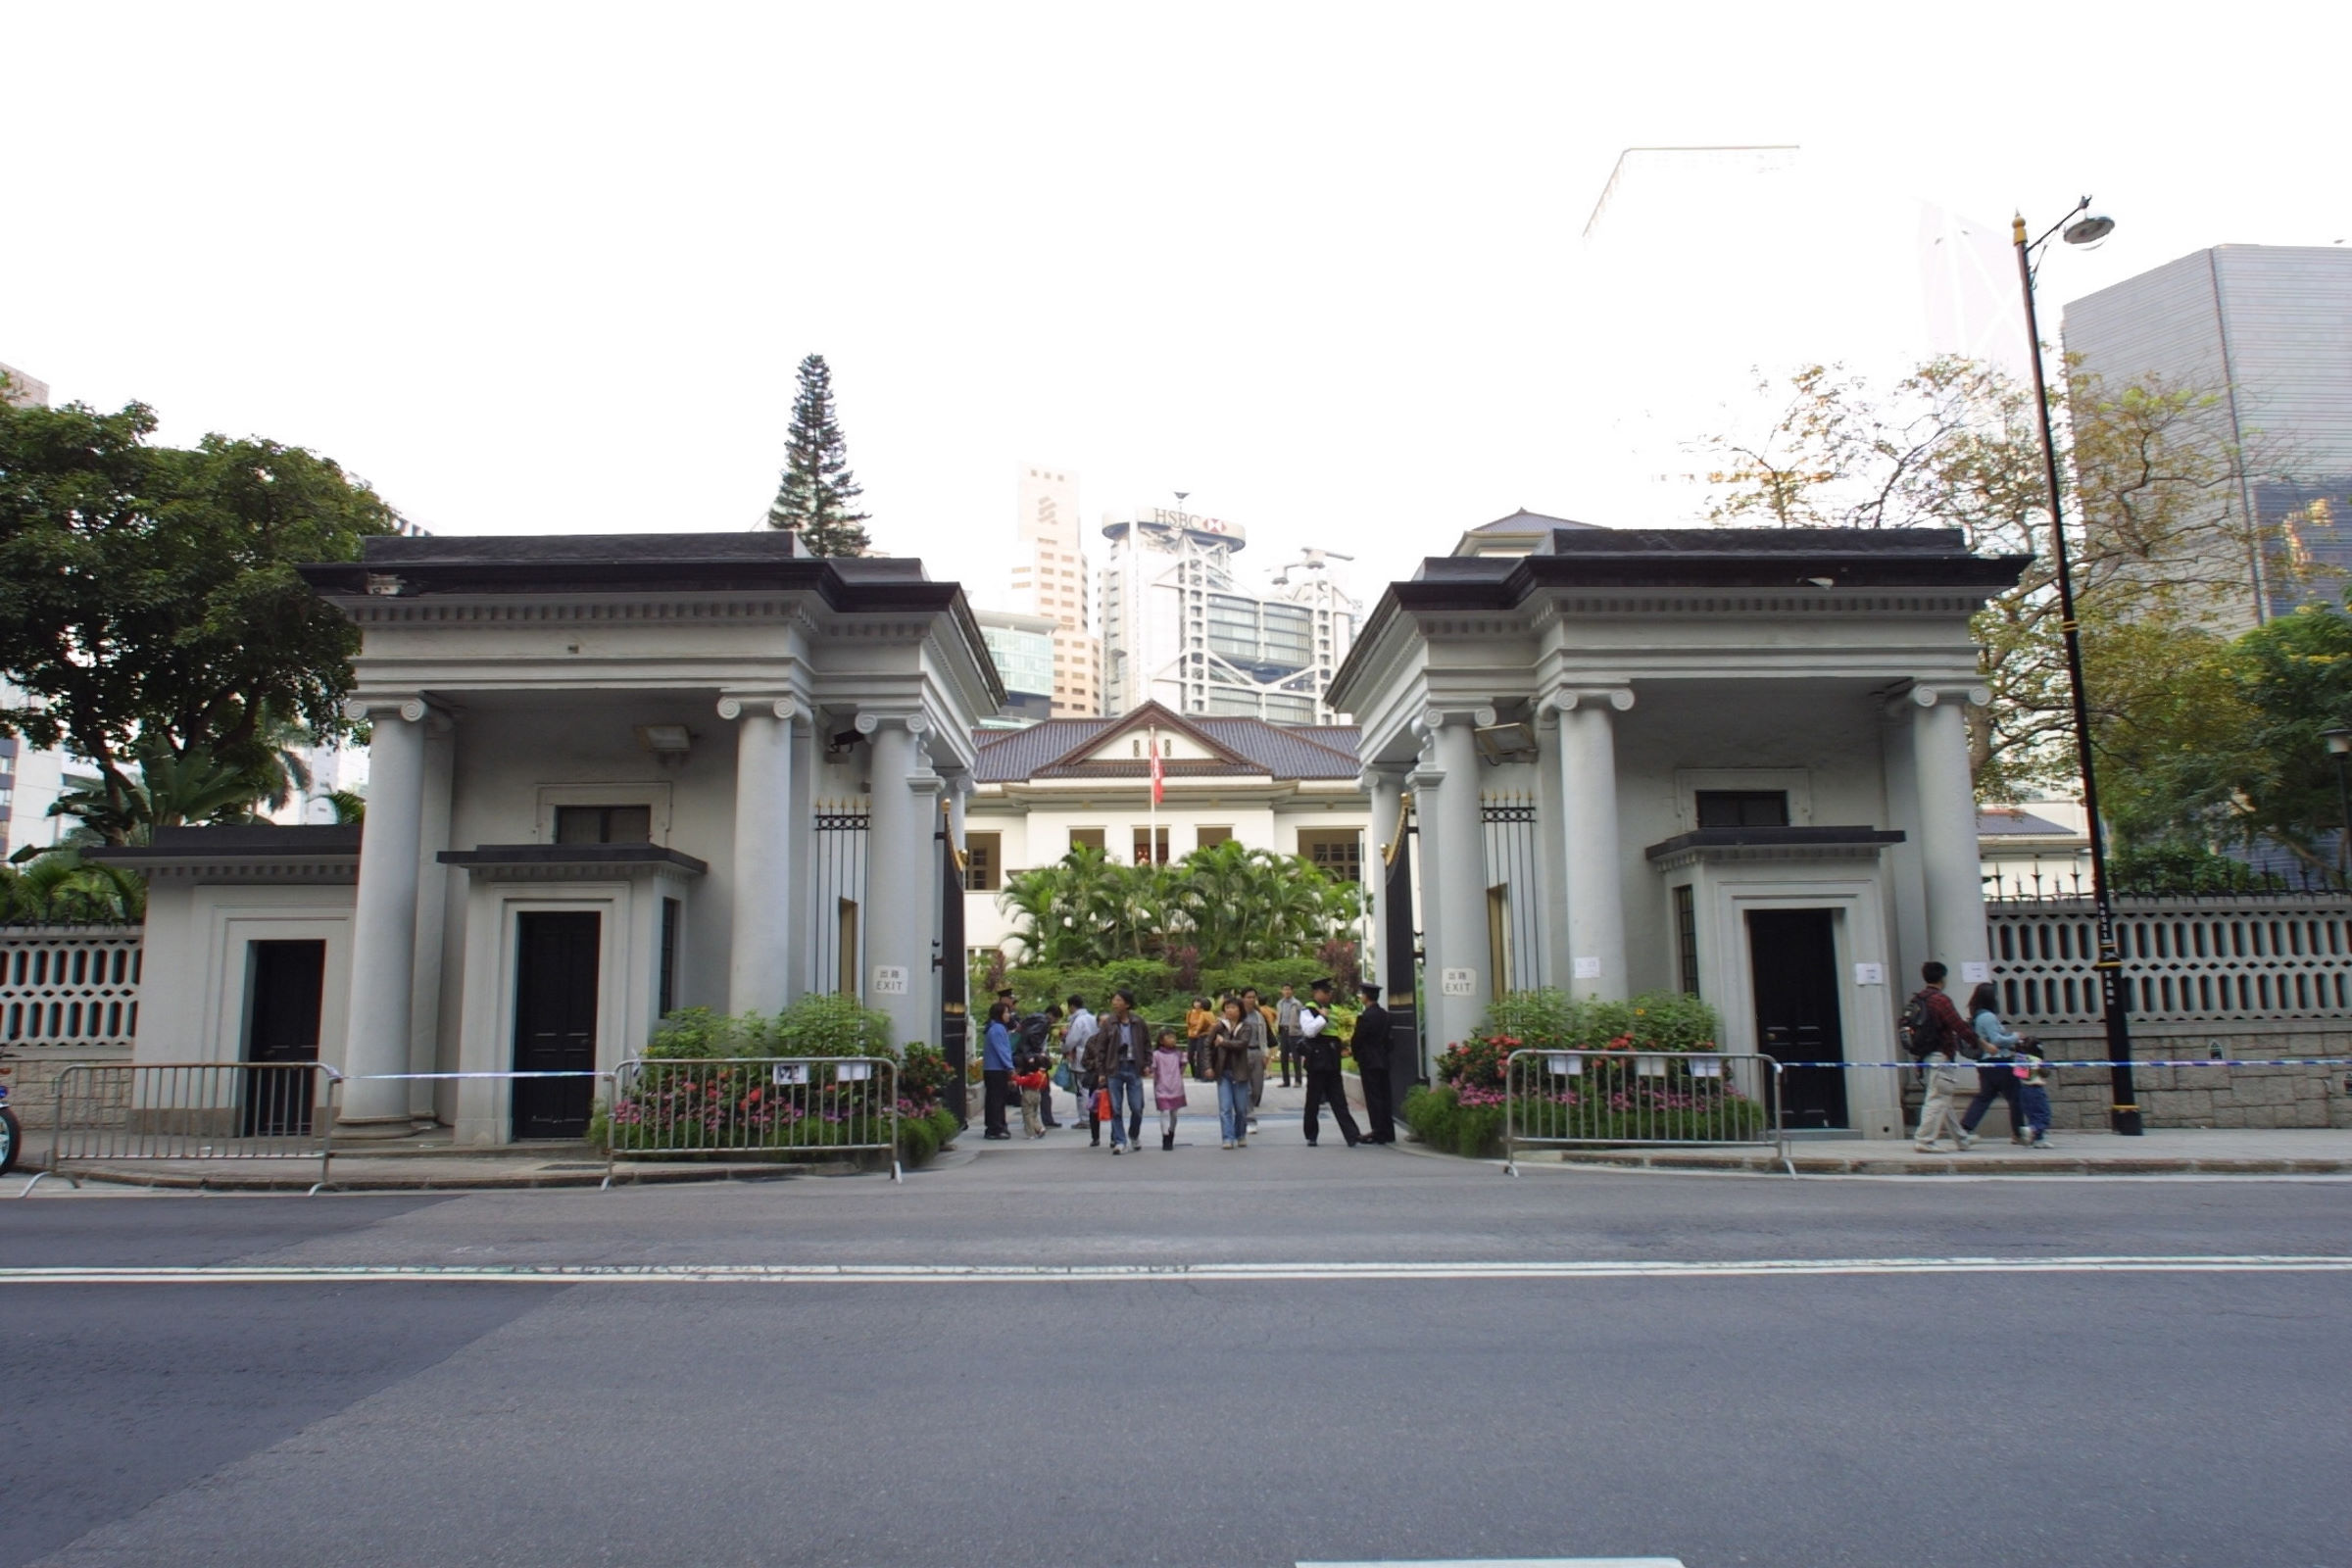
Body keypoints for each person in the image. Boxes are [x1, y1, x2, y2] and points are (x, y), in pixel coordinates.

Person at [1903, 961, 1980, 1152]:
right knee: (1937, 1099)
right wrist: (1980, 1043)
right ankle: (1924, 1140)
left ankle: (1961, 1139)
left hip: (1925, 1056)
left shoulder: (1917, 1000)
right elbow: (1958, 1025)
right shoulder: (1940, 1000)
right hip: (1941, 1055)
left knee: (1942, 1098)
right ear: (1942, 978)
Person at [1961, 981, 2034, 1146]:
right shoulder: (1988, 1017)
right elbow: (1997, 1040)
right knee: (2015, 1096)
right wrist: (2016, 1037)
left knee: (1985, 1096)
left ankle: (1965, 1127)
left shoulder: (1978, 1016)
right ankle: (2019, 1131)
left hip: (1986, 1063)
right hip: (2000, 1061)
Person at [1298, 979, 1362, 1148]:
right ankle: (1311, 1135)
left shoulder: (1334, 1009)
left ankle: (1352, 1135)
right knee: (1313, 1099)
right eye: (1325, 992)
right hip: (1316, 1058)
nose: (1328, 995)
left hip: (1332, 1057)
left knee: (1339, 1099)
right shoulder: (1308, 1009)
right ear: (1316, 993)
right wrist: (1322, 1018)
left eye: (1330, 992)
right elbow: (1309, 1031)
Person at [1097, 988, 1153, 1155]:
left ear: (1127, 1004)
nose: (1115, 1003)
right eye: (1114, 1000)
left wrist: (1147, 1063)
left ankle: (1134, 1135)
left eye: (1119, 1000)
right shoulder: (1109, 1023)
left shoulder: (1138, 1022)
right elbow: (1101, 1048)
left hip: (1134, 1067)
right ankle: (1120, 1141)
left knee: (1137, 1106)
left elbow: (1147, 1045)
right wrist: (1101, 1071)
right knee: (1116, 1107)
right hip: (1114, 1068)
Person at [1350, 981, 1396, 1145]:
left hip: (1369, 1060)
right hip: (1383, 1058)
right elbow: (1390, 1040)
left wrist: (1356, 1055)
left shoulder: (1365, 1017)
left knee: (1373, 1097)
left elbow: (1357, 1040)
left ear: (1366, 997)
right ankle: (1388, 1131)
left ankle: (1377, 1131)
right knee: (1385, 1095)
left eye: (1362, 994)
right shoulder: (1385, 1015)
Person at [1209, 997, 1255, 1148]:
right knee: (1225, 1107)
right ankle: (1227, 1138)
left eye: (1233, 1007)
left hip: (1240, 1072)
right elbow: (1206, 1046)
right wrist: (1207, 1067)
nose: (1230, 1010)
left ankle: (1240, 1134)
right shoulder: (1219, 1026)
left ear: (1239, 1010)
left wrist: (1223, 1042)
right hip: (1223, 1072)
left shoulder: (1246, 1026)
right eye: (1227, 1007)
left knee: (1241, 1108)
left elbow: (1241, 1044)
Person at [1062, 995, 1100, 1142]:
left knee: (1082, 1088)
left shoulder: (1078, 1021)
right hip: (1093, 1057)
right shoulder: (1092, 1018)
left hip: (1081, 1057)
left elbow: (1072, 1040)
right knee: (1090, 1087)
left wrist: (1064, 1048)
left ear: (1072, 1006)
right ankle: (1090, 1115)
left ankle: (1085, 1118)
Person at [981, 1000, 1015, 1140]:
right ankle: (995, 1127)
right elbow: (1003, 1050)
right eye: (1006, 1012)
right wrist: (1010, 1067)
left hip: (992, 1068)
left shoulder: (994, 1027)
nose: (1009, 1015)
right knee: (996, 1099)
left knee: (995, 1099)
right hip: (996, 1069)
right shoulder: (998, 1029)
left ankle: (997, 1125)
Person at [1240, 986, 1272, 1131]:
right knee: (1245, 1088)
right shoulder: (1238, 1015)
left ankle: (1247, 1109)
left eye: (1253, 997)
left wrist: (1265, 1054)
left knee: (1257, 1088)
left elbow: (1264, 1037)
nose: (1251, 1000)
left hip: (1257, 1052)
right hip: (1242, 1053)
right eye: (1248, 997)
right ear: (1243, 998)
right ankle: (1249, 1117)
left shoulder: (1259, 1016)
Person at [1151, 1027, 1189, 1151]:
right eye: (1169, 1037)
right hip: (1162, 1087)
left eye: (1173, 1037)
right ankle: (1165, 1136)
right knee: (1164, 1112)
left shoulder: (1178, 1054)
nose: (1172, 1039)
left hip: (1176, 1086)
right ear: (1161, 1040)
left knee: (1174, 1113)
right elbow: (1153, 1070)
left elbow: (1182, 1067)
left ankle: (1171, 1132)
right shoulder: (1156, 1055)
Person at [2016, 1044, 2055, 1148]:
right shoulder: (2036, 1060)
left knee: (2033, 1115)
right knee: (2044, 1114)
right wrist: (2042, 1064)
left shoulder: (2020, 1059)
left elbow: (2019, 1074)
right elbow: (2046, 1073)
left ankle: (2039, 1140)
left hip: (2024, 1089)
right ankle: (2032, 1129)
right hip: (2036, 1089)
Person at [1274, 982, 1304, 1088]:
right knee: (1284, 1057)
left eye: (1288, 989)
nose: (1286, 991)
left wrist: (1300, 1029)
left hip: (1295, 1032)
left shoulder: (1297, 1003)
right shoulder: (1280, 1003)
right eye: (1284, 989)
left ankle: (1298, 1080)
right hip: (1283, 1031)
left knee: (1296, 1057)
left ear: (1292, 991)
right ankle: (1285, 1081)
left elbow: (1303, 1018)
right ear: (1282, 991)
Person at [1185, 996, 1216, 1083]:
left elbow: (1200, 1024)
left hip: (1202, 1035)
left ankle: (1203, 1076)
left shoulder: (1203, 1014)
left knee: (1201, 1056)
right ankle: (1203, 1075)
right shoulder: (1211, 1013)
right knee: (1206, 1055)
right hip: (1209, 1035)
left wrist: (1196, 1031)